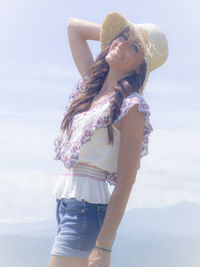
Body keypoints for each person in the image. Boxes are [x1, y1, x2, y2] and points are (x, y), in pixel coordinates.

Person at [48, 10, 169, 267]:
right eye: (121, 37)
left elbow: (126, 180)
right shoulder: (91, 86)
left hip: (86, 210)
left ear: (141, 66)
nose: (122, 45)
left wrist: (103, 246)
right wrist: (116, 39)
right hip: (67, 204)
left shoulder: (132, 106)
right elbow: (73, 27)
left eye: (134, 47)